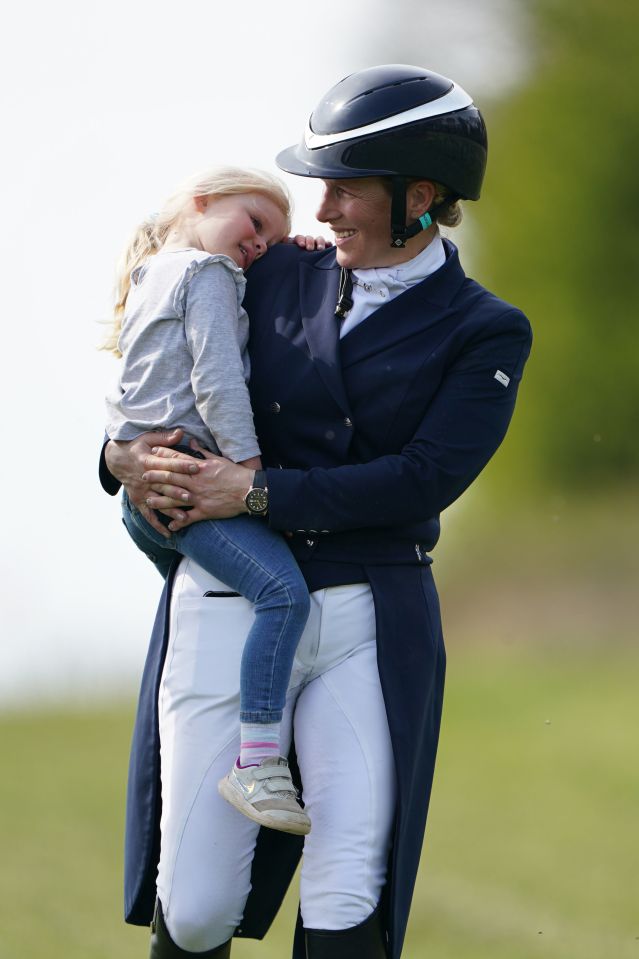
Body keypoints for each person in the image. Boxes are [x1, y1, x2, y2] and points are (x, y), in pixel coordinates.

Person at [100, 65, 532, 959]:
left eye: (345, 189)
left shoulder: (484, 329)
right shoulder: (261, 278)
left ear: (420, 196)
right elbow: (154, 379)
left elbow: (419, 479)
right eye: (321, 185)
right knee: (197, 906)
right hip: (232, 596)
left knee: (348, 887)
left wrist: (255, 490)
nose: (322, 209)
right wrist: (117, 458)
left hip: (368, 612)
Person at [104, 167, 313, 835]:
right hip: (195, 475)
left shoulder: (149, 274)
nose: (259, 246)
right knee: (282, 595)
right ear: (203, 199)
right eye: (255, 224)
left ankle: (199, 751)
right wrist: (247, 474)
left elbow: (127, 397)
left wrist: (292, 251)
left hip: (145, 494)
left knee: (213, 616)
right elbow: (217, 377)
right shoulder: (208, 275)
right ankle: (256, 759)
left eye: (270, 242)